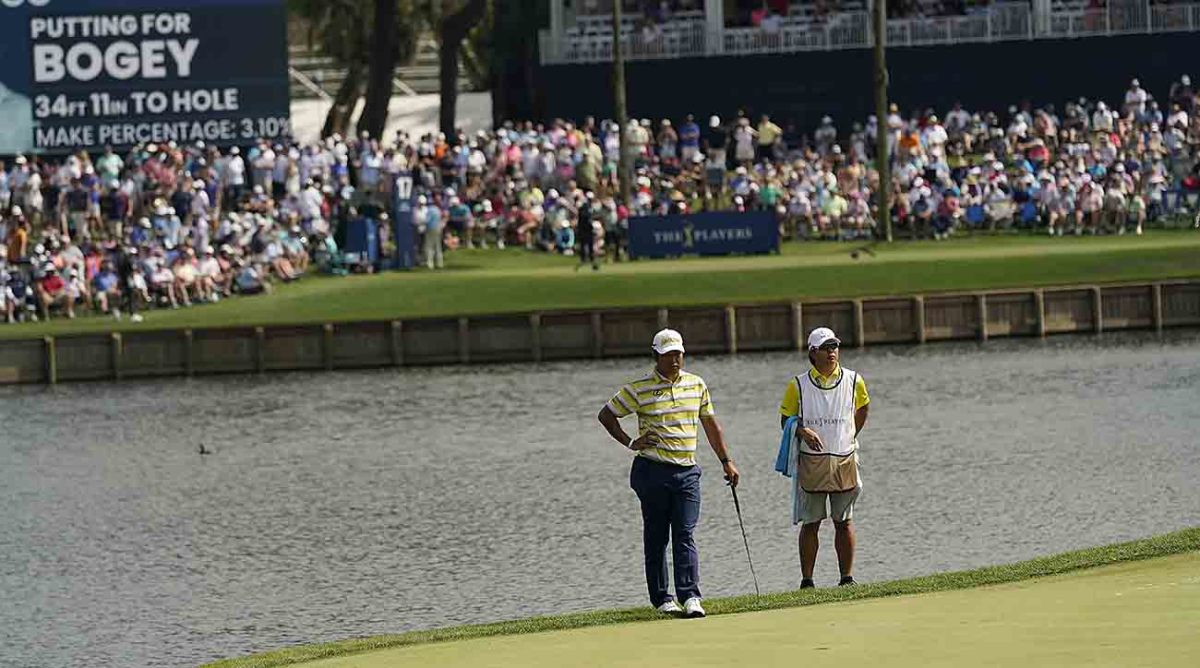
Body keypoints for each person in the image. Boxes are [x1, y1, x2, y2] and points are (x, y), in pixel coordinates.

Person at [597, 328, 740, 618]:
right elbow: (606, 414)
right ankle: (663, 598)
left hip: (688, 472)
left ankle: (690, 596)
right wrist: (630, 442)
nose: (674, 360)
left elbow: (711, 425)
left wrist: (726, 461)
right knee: (657, 535)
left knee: (685, 533)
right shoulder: (638, 388)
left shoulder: (696, 385)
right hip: (652, 470)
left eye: (678, 354)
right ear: (656, 356)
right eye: (668, 355)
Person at [779, 327, 869, 589]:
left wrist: (849, 435)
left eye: (834, 347)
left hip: (844, 458)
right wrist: (802, 430)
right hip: (812, 461)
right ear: (813, 352)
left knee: (844, 520)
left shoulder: (854, 380)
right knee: (811, 522)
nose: (832, 352)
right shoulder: (797, 385)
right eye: (825, 348)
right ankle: (807, 581)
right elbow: (785, 419)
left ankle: (846, 578)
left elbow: (862, 409)